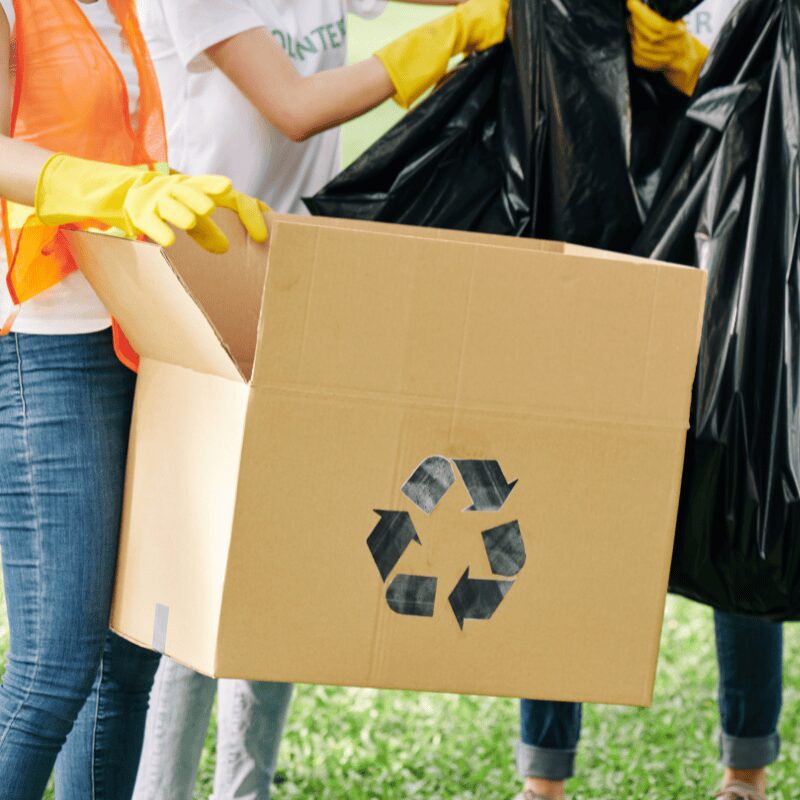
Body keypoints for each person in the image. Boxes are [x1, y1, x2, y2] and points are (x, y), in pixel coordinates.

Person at [131, 1, 509, 798]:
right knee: (203, 585)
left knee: (281, 573)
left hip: (303, 278)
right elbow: (295, 109)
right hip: (211, 279)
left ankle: (247, 788)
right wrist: (446, 39)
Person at [0, 1, 268, 798]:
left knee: (127, 656)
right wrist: (106, 191)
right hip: (40, 344)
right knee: (55, 663)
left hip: (128, 327)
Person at [513, 3, 780, 800]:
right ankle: (545, 776)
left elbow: (774, 105)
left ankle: (745, 771)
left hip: (724, 264)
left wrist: (701, 69)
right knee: (564, 510)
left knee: (735, 510)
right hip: (599, 241)